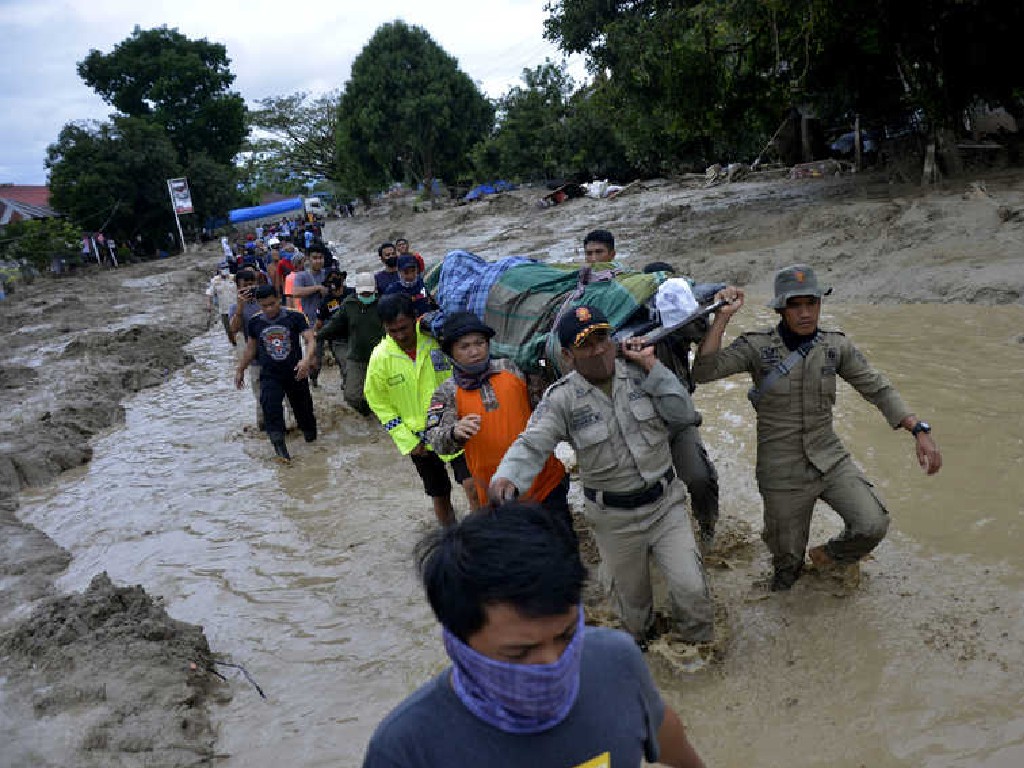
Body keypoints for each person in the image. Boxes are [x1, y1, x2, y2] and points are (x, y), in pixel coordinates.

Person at [362, 503, 707, 768]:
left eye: (567, 636)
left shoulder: (616, 661)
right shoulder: (406, 750)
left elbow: (668, 737)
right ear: (458, 643)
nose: (551, 663)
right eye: (518, 653)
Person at [692, 264, 943, 590]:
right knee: (787, 566)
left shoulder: (835, 347)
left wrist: (919, 430)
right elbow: (704, 371)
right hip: (781, 470)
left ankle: (828, 558)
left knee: (872, 524)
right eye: (796, 305)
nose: (805, 313)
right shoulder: (757, 347)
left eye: (812, 303)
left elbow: (877, 388)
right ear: (781, 308)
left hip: (829, 457)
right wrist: (723, 317)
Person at [489, 305, 714, 647]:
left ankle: (702, 653)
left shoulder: (642, 373)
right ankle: (645, 652)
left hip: (666, 506)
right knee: (634, 614)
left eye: (603, 338)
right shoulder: (561, 399)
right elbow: (532, 443)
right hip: (614, 520)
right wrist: (507, 478)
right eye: (586, 344)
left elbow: (683, 414)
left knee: (692, 589)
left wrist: (652, 364)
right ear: (567, 355)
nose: (598, 350)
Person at [425, 312, 568, 519]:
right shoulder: (447, 392)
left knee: (562, 546)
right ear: (450, 353)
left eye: (480, 343)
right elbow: (435, 440)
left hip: (545, 482)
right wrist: (454, 432)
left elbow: (548, 400)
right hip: (497, 496)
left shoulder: (513, 368)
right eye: (465, 346)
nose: (475, 351)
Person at [364, 293, 474, 526]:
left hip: (455, 427)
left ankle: (481, 533)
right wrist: (406, 440)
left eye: (404, 328)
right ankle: (450, 539)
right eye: (392, 331)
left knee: (473, 485)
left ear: (415, 319)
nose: (400, 335)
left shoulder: (437, 342)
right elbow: (378, 402)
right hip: (419, 440)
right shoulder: (380, 358)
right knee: (439, 494)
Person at [234, 285, 318, 461]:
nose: (269, 309)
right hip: (270, 375)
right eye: (264, 306)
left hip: (296, 372)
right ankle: (282, 454)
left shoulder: (295, 316)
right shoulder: (255, 322)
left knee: (304, 413)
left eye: (272, 304)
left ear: (279, 298)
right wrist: (240, 369)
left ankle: (314, 447)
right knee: (271, 409)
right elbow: (250, 348)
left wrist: (306, 360)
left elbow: (310, 340)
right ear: (258, 304)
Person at [318, 273, 384, 414]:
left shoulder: (383, 304)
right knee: (351, 395)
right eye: (363, 293)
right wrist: (317, 335)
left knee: (385, 392)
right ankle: (368, 413)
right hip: (357, 357)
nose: (366, 296)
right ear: (357, 290)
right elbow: (334, 324)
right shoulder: (349, 304)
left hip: (381, 357)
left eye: (369, 293)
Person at [229, 269, 265, 428]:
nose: (249, 288)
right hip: (255, 358)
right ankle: (263, 428)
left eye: (252, 284)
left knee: (287, 395)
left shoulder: (265, 300)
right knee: (261, 398)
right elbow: (234, 329)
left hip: (275, 355)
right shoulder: (235, 308)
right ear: (238, 288)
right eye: (245, 286)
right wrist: (240, 308)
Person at [206, 266, 238, 345]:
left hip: (236, 309)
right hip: (224, 310)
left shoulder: (234, 278)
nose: (224, 270)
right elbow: (210, 293)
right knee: (229, 331)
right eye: (222, 268)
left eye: (226, 268)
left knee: (238, 330)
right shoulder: (215, 281)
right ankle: (233, 346)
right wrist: (209, 304)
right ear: (219, 270)